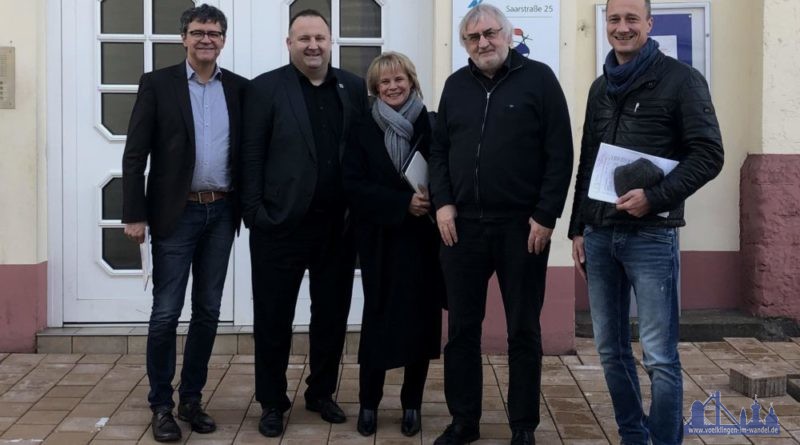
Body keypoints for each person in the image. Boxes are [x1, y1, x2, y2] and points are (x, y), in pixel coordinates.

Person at [568, 0, 724, 443]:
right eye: (614, 19)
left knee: (658, 356)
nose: (622, 28)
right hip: (600, 236)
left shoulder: (681, 80)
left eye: (631, 19)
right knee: (610, 352)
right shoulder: (600, 87)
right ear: (605, 24)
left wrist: (654, 197)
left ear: (649, 24)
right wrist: (578, 227)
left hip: (651, 237)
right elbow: (588, 161)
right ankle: (633, 436)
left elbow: (710, 154)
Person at [428, 4, 573, 445]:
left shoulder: (540, 80)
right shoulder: (455, 87)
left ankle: (522, 426)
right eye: (472, 38)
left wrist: (546, 215)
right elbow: (439, 152)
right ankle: (464, 421)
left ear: (509, 35)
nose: (482, 43)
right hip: (463, 228)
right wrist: (443, 204)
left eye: (490, 34)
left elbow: (560, 152)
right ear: (464, 46)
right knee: (461, 332)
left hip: (522, 228)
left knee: (523, 331)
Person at [121, 4, 248, 442]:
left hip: (222, 212)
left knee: (209, 311)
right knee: (166, 312)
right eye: (198, 32)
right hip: (176, 213)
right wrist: (134, 214)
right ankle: (161, 404)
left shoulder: (239, 89)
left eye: (214, 33)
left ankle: (191, 398)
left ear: (224, 39)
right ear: (184, 38)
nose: (206, 39)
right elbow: (135, 154)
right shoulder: (158, 85)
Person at [239, 9, 369, 438]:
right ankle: (272, 402)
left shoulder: (352, 87)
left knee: (330, 317)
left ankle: (320, 393)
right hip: (280, 226)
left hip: (338, 227)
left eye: (320, 38)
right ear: (289, 43)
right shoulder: (264, 89)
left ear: (331, 41)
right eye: (303, 38)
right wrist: (256, 214)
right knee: (273, 319)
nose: (312, 45)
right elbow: (251, 156)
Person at [342, 52, 443, 438]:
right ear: (375, 89)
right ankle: (369, 403)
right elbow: (353, 185)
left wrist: (430, 201)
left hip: (423, 242)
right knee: (378, 323)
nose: (393, 86)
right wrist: (403, 204)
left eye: (399, 79)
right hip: (381, 239)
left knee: (420, 324)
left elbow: (446, 173)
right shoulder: (362, 127)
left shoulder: (432, 124)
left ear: (412, 81)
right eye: (384, 82)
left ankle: (412, 405)